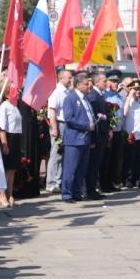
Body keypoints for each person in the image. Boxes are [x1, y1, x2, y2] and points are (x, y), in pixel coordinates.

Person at [61, 72, 95, 203]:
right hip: (74, 139)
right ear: (79, 85)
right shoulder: (70, 98)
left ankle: (76, 192)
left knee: (81, 168)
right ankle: (67, 194)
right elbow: (69, 118)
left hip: (85, 139)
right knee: (70, 168)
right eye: (86, 84)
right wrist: (87, 125)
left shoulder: (85, 98)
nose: (89, 86)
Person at [46, 69, 72, 193]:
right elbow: (52, 111)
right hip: (59, 124)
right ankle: (50, 183)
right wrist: (54, 128)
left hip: (67, 125)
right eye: (69, 77)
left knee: (63, 154)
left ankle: (59, 181)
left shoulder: (67, 92)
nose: (71, 80)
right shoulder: (56, 92)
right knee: (55, 154)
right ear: (61, 79)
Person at [0, 86, 23, 208]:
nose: (17, 93)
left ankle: (10, 194)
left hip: (16, 137)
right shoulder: (4, 106)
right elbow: (2, 126)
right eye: (14, 91)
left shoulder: (15, 106)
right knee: (6, 169)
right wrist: (4, 143)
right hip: (8, 138)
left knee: (12, 169)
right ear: (7, 95)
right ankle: (2, 195)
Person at [85, 72, 110, 200]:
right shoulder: (93, 96)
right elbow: (94, 119)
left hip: (102, 135)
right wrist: (94, 138)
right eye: (104, 81)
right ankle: (90, 190)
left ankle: (92, 188)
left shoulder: (100, 95)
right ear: (96, 82)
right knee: (93, 165)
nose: (107, 83)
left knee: (96, 164)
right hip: (97, 136)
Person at [101, 71, 125, 192]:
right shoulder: (105, 96)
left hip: (118, 131)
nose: (116, 83)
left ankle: (112, 182)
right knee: (107, 159)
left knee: (116, 159)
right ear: (108, 82)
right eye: (113, 81)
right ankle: (104, 184)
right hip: (108, 132)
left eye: (117, 81)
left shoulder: (120, 96)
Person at [122, 79, 140, 188]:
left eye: (139, 89)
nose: (138, 91)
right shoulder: (128, 101)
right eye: (135, 89)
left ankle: (137, 179)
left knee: (139, 160)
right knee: (129, 160)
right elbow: (125, 113)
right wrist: (129, 96)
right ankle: (128, 180)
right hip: (130, 135)